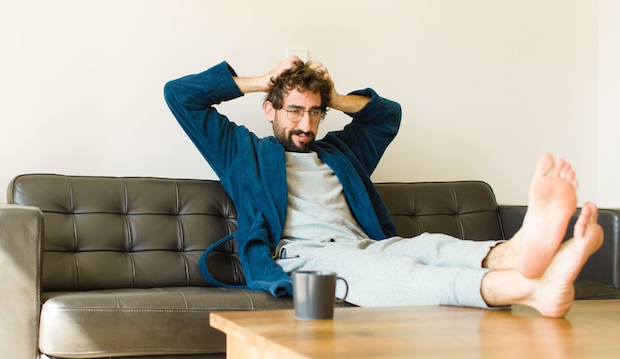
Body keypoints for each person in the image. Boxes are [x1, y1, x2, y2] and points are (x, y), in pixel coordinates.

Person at [164, 57, 603, 318]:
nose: (305, 124)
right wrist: (263, 78)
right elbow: (179, 94)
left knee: (432, 245)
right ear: (269, 110)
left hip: (365, 244)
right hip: (304, 254)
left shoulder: (340, 152)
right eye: (294, 111)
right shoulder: (241, 152)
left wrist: (332, 95)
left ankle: (521, 253)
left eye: (315, 113)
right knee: (395, 275)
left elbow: (385, 116)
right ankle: (526, 289)